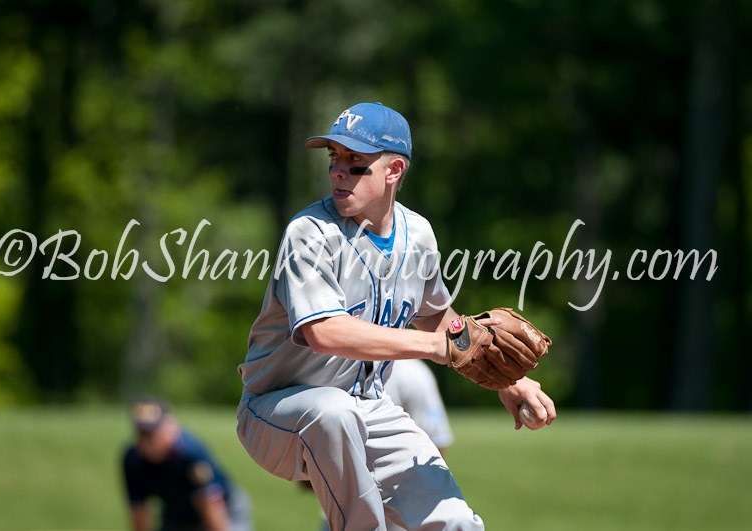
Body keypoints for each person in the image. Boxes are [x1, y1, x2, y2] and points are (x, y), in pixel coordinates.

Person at [236, 102, 556, 530]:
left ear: (394, 170)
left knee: (458, 523)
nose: (338, 172)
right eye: (334, 159)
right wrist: (437, 348)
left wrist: (507, 379)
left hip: (370, 412)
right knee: (333, 413)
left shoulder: (418, 234)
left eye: (356, 163)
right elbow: (324, 332)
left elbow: (436, 319)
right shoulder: (310, 233)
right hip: (277, 413)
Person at [121, 397, 252, 531]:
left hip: (224, 509)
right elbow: (138, 510)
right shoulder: (133, 460)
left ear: (170, 426)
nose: (148, 441)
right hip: (176, 513)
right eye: (142, 434)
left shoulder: (189, 454)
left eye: (153, 433)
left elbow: (210, 504)